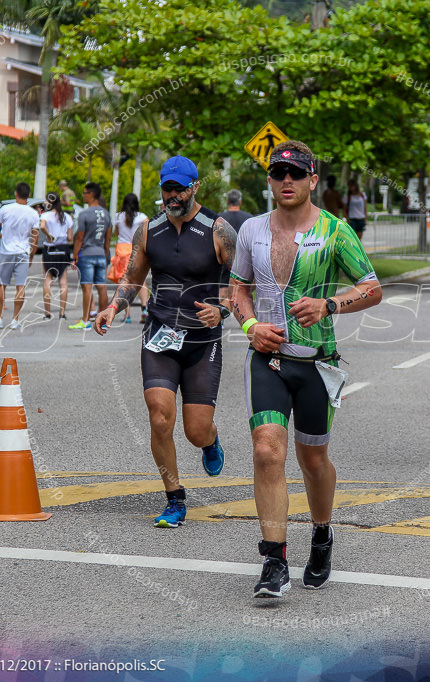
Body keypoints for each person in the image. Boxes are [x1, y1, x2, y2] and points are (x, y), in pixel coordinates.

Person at [229, 140, 383, 598]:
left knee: (313, 459)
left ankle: (321, 533)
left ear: (313, 179)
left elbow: (372, 289)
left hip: (317, 365)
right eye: (278, 174)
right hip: (267, 361)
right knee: (266, 451)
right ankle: (274, 561)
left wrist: (329, 304)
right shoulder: (251, 231)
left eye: (296, 174)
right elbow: (236, 290)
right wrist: (251, 325)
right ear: (269, 181)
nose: (287, 181)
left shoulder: (336, 232)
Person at [94, 155, 234, 529]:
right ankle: (174, 498)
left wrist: (222, 310)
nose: (172, 196)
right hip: (160, 332)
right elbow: (133, 277)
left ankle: (210, 440)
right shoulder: (148, 230)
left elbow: (240, 284)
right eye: (166, 189)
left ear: (195, 187)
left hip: (203, 340)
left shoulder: (218, 230)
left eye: (179, 189)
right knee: (159, 417)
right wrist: (114, 307)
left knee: (195, 429)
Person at [0, 182, 39, 330]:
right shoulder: (33, 213)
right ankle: (15, 319)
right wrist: (31, 255)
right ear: (29, 195)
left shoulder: (6, 209)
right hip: (23, 252)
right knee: (21, 286)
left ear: (16, 194)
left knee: (1, 284)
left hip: (6, 252)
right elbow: (35, 237)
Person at [70, 182, 112, 330]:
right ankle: (103, 320)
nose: (83, 195)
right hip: (101, 254)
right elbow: (108, 238)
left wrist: (75, 256)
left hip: (87, 254)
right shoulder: (106, 214)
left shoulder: (84, 214)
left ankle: (86, 320)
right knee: (102, 287)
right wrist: (105, 255)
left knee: (87, 287)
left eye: (85, 193)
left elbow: (79, 238)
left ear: (92, 194)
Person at [109, 193, 149, 323]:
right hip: (137, 250)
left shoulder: (118, 217)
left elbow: (117, 233)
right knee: (141, 281)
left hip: (122, 250)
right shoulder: (142, 217)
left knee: (125, 282)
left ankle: (127, 314)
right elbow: (148, 231)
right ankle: (144, 309)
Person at [39, 192, 74, 320]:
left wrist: (48, 235)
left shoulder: (45, 215)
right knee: (63, 282)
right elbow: (70, 237)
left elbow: (42, 226)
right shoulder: (67, 217)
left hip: (49, 249)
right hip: (63, 250)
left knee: (48, 281)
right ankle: (62, 313)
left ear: (50, 202)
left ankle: (47, 313)